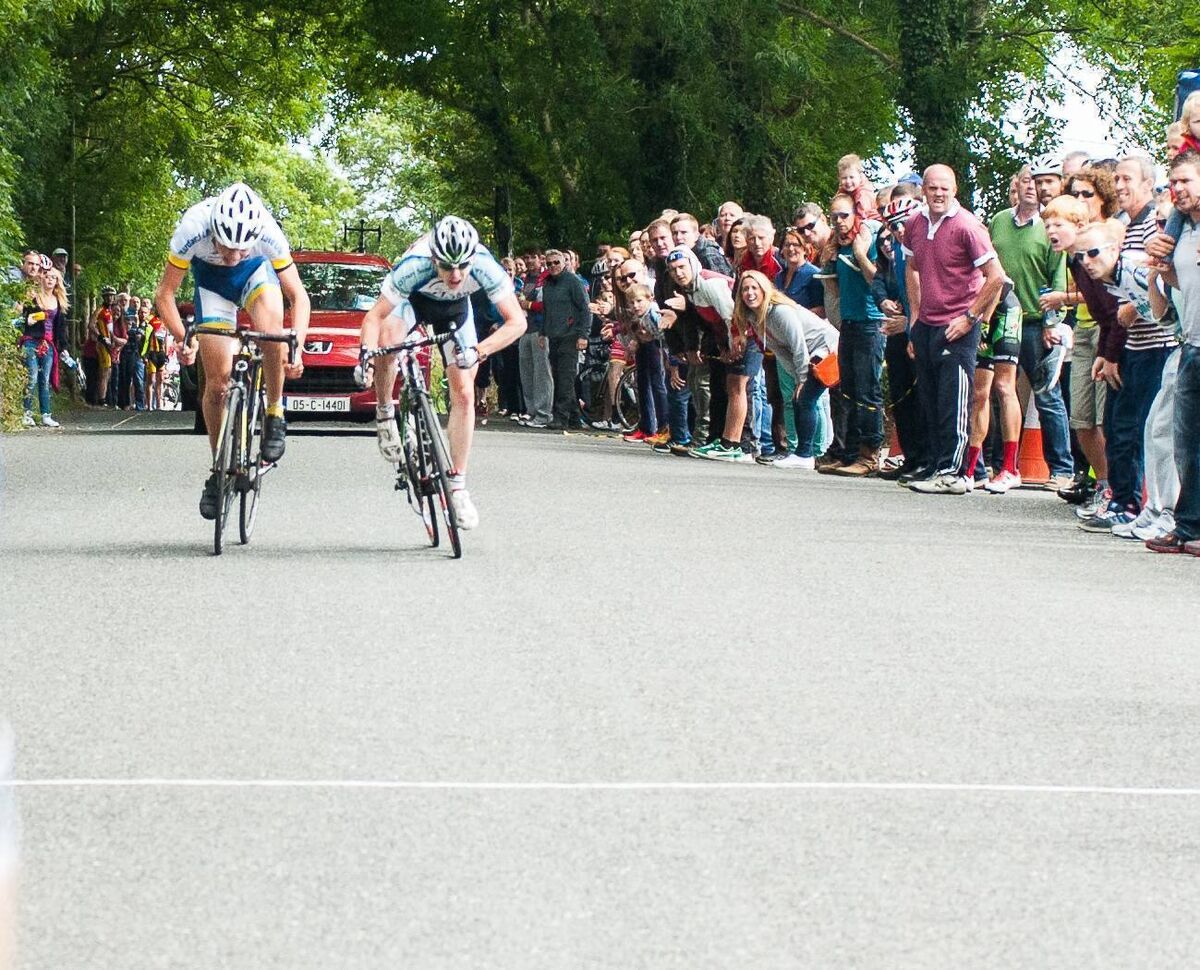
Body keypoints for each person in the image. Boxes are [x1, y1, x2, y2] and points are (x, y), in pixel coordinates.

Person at [154, 182, 311, 520]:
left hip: (255, 277)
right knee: (219, 383)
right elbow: (164, 295)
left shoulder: (268, 233)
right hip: (211, 286)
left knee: (272, 332)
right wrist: (185, 338)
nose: (233, 255)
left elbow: (298, 296)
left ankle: (274, 412)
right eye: (226, 246)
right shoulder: (192, 227)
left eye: (242, 247)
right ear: (214, 230)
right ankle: (219, 470)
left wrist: (294, 345)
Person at [358, 215, 527, 530]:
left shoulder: (485, 266)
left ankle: (459, 486)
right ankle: (384, 413)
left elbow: (517, 322)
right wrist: (366, 355)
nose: (456, 274)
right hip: (413, 304)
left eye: (462, 266)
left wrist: (479, 351)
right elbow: (374, 317)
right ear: (433, 258)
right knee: (389, 340)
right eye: (447, 267)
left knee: (463, 391)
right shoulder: (413, 266)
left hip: (456, 313)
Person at [905, 164, 1005, 495]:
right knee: (929, 399)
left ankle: (956, 472)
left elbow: (996, 277)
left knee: (954, 398)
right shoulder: (915, 224)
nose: (938, 193)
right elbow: (912, 267)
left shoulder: (968, 226)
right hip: (927, 324)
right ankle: (937, 465)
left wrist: (970, 317)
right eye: (932, 187)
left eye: (945, 188)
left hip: (958, 324)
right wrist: (915, 316)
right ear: (923, 190)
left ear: (955, 190)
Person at [989, 162, 1073, 489]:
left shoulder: (1049, 226)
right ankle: (1000, 465)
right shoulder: (997, 221)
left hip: (1037, 322)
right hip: (1000, 319)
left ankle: (1061, 469)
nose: (1030, 187)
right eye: (1025, 181)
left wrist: (1054, 320)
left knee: (1046, 395)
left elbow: (1058, 275)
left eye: (1035, 183)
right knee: (1000, 392)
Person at [1145, 150, 1200, 555]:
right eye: (1173, 183)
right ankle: (1187, 527)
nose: (1178, 190)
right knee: (1185, 444)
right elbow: (1184, 288)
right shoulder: (1181, 234)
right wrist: (1164, 274)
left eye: (1186, 182)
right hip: (1192, 346)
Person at [734, 270, 839, 469]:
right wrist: (797, 379)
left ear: (765, 290)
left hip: (826, 348)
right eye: (745, 289)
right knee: (798, 399)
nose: (750, 293)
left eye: (754, 288)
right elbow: (781, 352)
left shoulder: (780, 311)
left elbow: (798, 345)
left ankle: (806, 455)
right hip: (809, 355)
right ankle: (802, 453)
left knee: (806, 399)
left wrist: (802, 379)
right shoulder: (756, 319)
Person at [820, 194, 886, 477]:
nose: (839, 222)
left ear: (855, 215)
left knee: (867, 389)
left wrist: (859, 255)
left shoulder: (867, 241)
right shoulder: (837, 245)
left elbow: (876, 280)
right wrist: (828, 263)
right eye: (834, 217)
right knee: (847, 389)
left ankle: (870, 454)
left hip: (871, 323)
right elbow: (834, 290)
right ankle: (848, 452)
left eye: (844, 216)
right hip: (848, 321)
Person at [538, 249, 592, 431]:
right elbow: (546, 311)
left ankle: (560, 417)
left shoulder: (573, 282)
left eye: (556, 263)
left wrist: (583, 335)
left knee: (565, 379)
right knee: (558, 376)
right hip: (554, 336)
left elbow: (585, 309)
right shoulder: (548, 285)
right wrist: (542, 333)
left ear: (564, 263)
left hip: (571, 335)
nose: (553, 266)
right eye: (549, 263)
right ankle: (575, 418)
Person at [18, 258, 69, 427]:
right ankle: (27, 413)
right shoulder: (33, 296)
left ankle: (46, 414)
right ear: (42, 278)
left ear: (57, 282)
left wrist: (63, 347)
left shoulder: (58, 301)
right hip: (31, 340)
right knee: (31, 376)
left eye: (53, 277)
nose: (49, 279)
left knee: (44, 379)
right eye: (46, 276)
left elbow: (60, 327)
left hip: (48, 344)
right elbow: (22, 316)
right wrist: (28, 319)